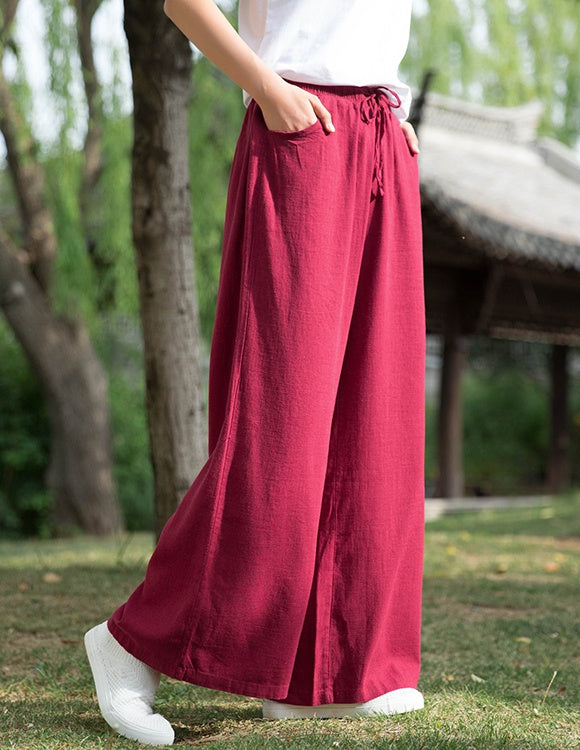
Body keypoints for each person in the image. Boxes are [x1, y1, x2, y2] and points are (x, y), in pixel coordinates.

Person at [84, 0, 425, 745]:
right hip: (299, 127)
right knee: (281, 430)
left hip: (381, 132)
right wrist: (266, 88)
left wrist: (390, 110)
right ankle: (130, 643)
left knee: (374, 420)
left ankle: (324, 676)